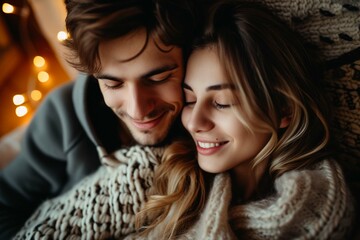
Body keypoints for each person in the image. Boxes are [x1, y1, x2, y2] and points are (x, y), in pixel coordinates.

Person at [133, 1, 355, 239]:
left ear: (284, 110)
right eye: (189, 100)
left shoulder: (323, 209)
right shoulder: (157, 173)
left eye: (221, 103)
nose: (195, 122)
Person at [0, 0, 201, 238]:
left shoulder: (211, 120)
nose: (137, 110)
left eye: (158, 78)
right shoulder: (62, 115)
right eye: (113, 84)